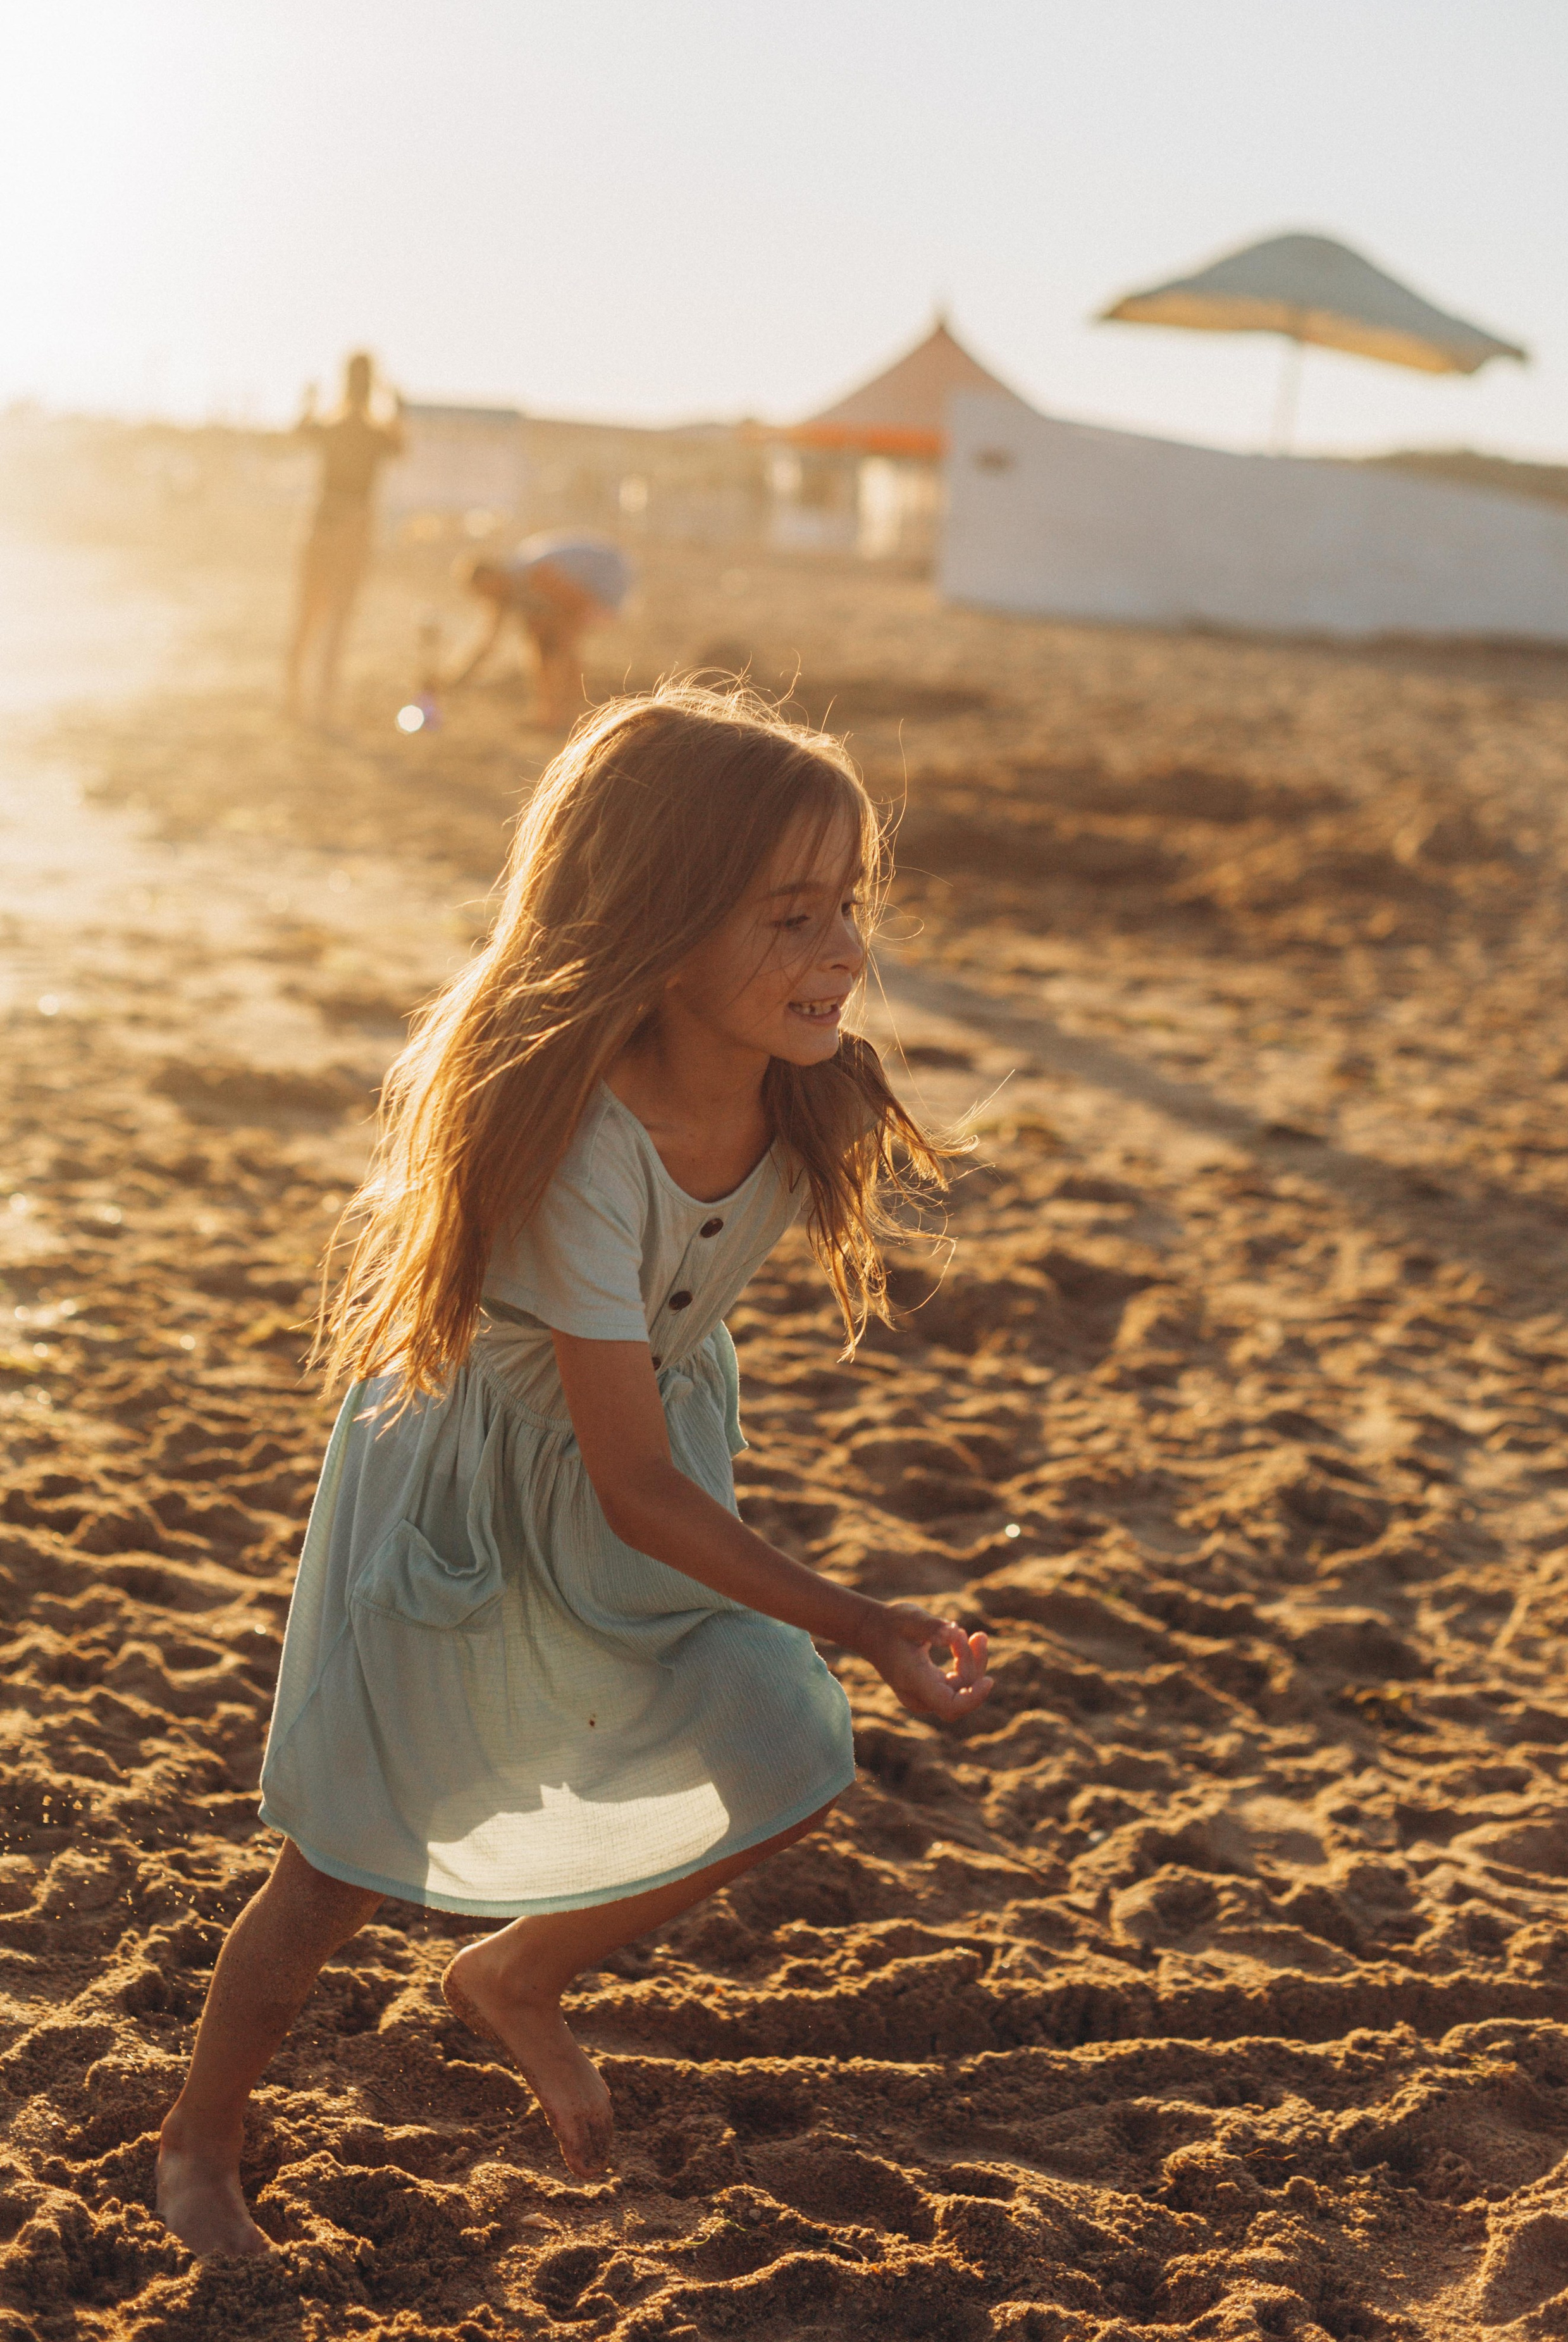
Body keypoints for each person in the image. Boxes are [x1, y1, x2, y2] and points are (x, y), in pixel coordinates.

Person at [155, 678, 993, 2257]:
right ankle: (198, 2140)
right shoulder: (576, 1143)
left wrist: (831, 1633)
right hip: (479, 1497)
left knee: (782, 1733)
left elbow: (655, 1423)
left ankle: (514, 1970)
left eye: (848, 905)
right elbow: (632, 1485)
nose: (839, 950)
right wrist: (864, 1615)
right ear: (659, 930)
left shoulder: (812, 1083)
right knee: (342, 1860)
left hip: (641, 1467)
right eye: (791, 916)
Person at [285, 352, 405, 727]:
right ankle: (318, 700)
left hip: (325, 520)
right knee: (336, 616)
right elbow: (400, 447)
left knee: (310, 612)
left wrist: (309, 400)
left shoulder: (334, 426)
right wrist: (395, 405)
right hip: (353, 525)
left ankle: (297, 695)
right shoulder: (372, 431)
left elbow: (300, 430)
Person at [451, 531, 633, 728]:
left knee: (560, 638)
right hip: (579, 587)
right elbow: (488, 643)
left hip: (608, 576)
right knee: (538, 637)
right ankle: (549, 712)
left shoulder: (534, 574)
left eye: (487, 590)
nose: (488, 597)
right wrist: (456, 679)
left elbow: (576, 606)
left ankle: (572, 712)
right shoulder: (503, 591)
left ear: (495, 575)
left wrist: (561, 631)